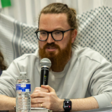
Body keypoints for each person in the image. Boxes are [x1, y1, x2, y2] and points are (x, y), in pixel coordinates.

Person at [0, 2, 112, 112]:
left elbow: (110, 97)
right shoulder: (22, 65)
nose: (49, 40)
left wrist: (62, 104)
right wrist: (27, 103)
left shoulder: (91, 62)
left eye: (57, 33)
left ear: (73, 35)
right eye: (43, 33)